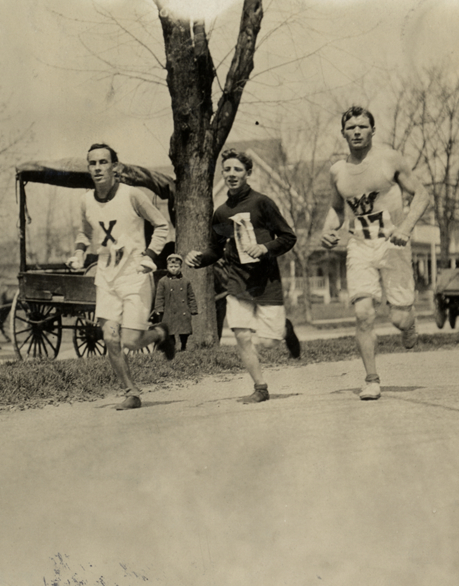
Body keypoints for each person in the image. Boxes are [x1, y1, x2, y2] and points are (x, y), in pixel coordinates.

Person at [323, 106, 431, 400]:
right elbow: (336, 209)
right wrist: (328, 229)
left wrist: (406, 227)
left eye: (362, 126)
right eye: (351, 127)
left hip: (392, 243)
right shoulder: (338, 171)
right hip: (359, 245)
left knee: (397, 318)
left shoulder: (389, 159)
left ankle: (409, 322)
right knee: (363, 313)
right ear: (343, 132)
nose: (356, 131)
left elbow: (422, 194)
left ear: (372, 130)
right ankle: (371, 379)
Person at [184, 148, 301, 404]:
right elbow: (215, 249)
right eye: (227, 169)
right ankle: (260, 387)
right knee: (242, 334)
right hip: (237, 280)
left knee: (269, 343)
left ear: (248, 173)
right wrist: (198, 259)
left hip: (266, 279)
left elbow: (288, 237)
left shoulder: (262, 203)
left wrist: (265, 248)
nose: (232, 174)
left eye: (238, 169)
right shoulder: (221, 212)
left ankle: (284, 328)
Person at [68, 143, 174, 410]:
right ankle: (131, 392)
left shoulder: (132, 195)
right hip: (106, 276)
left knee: (131, 341)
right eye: (92, 163)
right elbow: (84, 232)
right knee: (110, 337)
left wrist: (150, 254)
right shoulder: (85, 201)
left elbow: (162, 225)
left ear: (115, 167)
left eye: (103, 162)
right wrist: (79, 253)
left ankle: (160, 333)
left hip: (134, 276)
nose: (97, 168)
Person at [152, 253, 199, 351]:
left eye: (176, 266)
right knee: (170, 331)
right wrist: (159, 308)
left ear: (180, 267)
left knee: (184, 331)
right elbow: (159, 296)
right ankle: (172, 347)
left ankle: (183, 346)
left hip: (183, 310)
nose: (173, 268)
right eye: (171, 266)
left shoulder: (186, 281)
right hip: (168, 311)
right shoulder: (163, 281)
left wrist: (193, 309)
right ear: (167, 266)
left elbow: (191, 296)